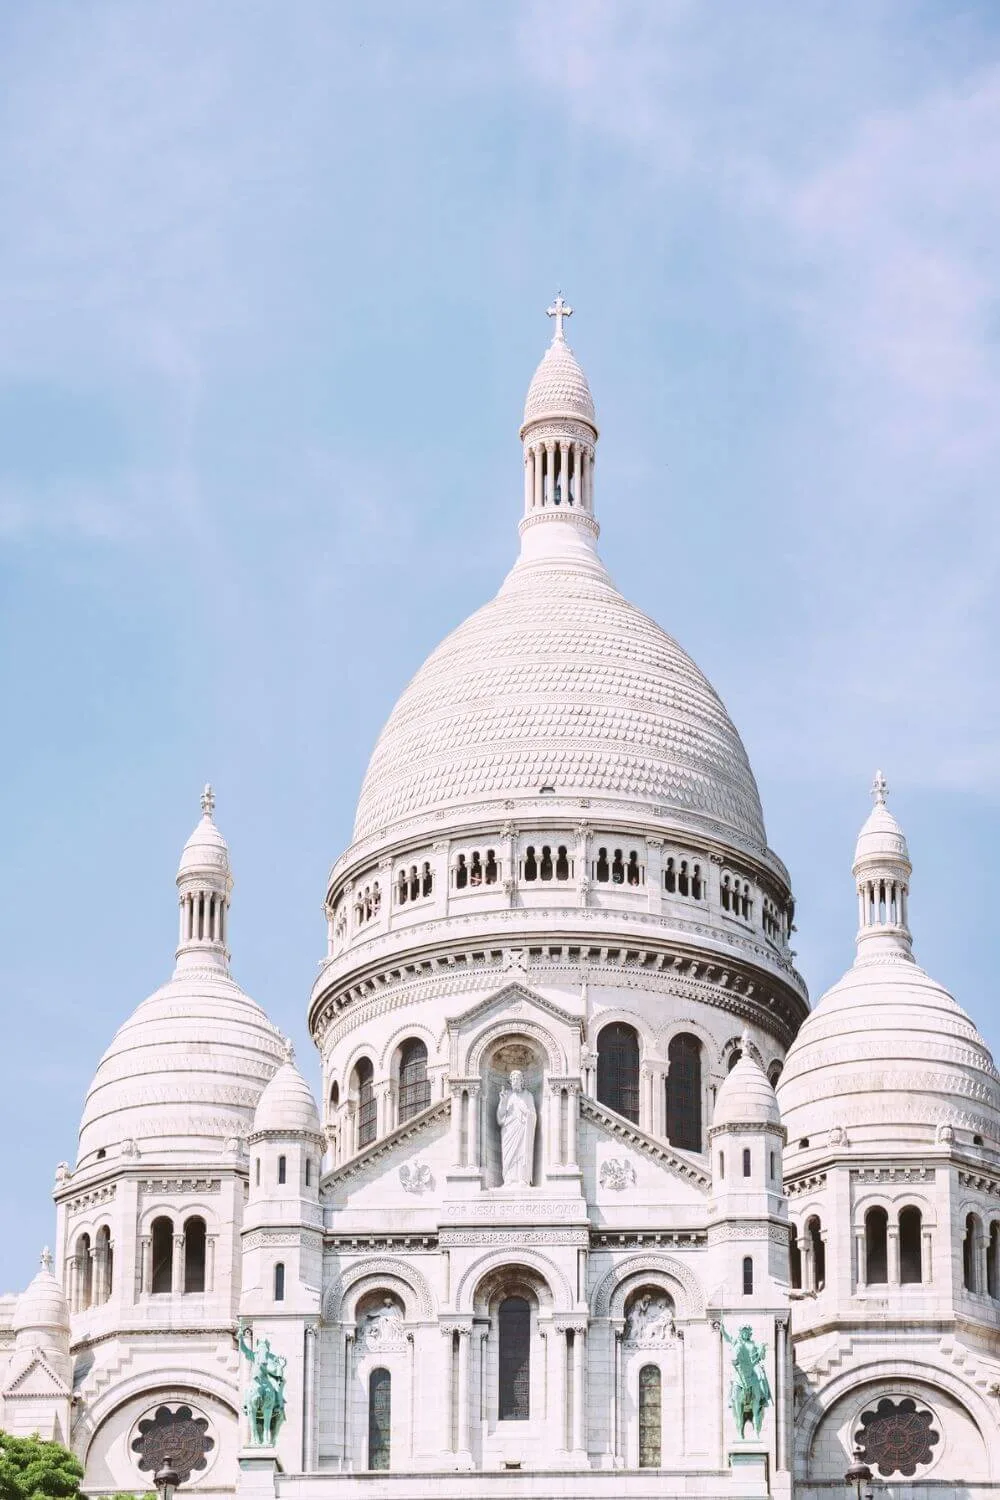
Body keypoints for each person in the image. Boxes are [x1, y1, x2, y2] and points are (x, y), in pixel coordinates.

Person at [496, 1069, 536, 1186]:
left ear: (521, 1081)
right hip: (509, 1130)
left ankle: (522, 1178)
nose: (514, 1081)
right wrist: (502, 1102)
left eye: (517, 1079)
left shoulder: (528, 1095)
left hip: (523, 1129)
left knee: (522, 1152)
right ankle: (509, 1178)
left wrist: (528, 1113)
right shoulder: (507, 1095)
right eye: (512, 1079)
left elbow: (533, 1114)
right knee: (509, 1154)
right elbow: (501, 1116)